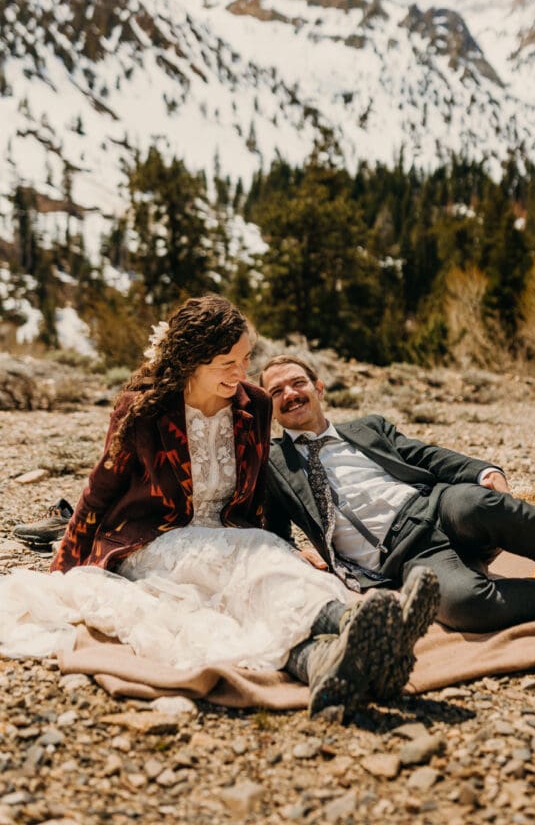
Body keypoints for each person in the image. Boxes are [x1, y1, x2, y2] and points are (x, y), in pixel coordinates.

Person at [1, 297, 439, 719]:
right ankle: (356, 623)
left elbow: (259, 493)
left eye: (245, 359)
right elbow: (99, 491)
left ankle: (325, 661)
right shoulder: (143, 408)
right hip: (154, 541)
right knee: (253, 566)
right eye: (227, 364)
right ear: (191, 361)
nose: (242, 372)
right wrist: (63, 571)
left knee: (254, 590)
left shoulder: (256, 405)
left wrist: (286, 543)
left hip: (232, 533)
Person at [259, 355, 535, 633]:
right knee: (465, 607)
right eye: (276, 392)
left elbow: (426, 455)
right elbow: (272, 533)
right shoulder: (274, 464)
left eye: (297, 383)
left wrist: (484, 471)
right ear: (269, 406)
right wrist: (300, 556)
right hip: (403, 558)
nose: (289, 394)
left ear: (318, 386)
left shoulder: (367, 428)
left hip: (434, 507)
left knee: (482, 502)